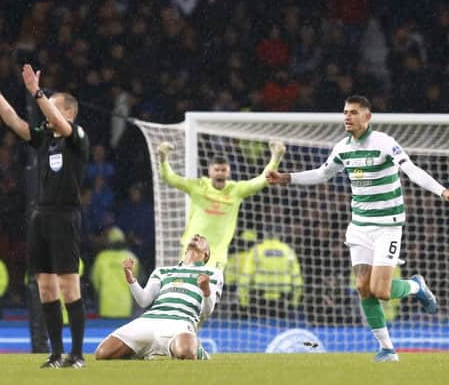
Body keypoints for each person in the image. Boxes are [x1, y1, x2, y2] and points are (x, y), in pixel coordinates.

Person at [266, 95, 449, 362]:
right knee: (363, 287)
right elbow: (322, 173)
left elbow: (412, 171)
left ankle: (415, 286)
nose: (347, 117)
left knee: (382, 291)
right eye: (344, 113)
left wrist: (442, 190)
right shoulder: (342, 148)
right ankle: (387, 349)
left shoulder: (385, 143)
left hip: (388, 226)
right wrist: (287, 178)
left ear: (367, 117)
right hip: (360, 227)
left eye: (353, 112)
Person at [0, 63, 89, 368]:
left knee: (69, 285)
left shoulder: (76, 136)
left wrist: (36, 92)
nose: (45, 113)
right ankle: (55, 354)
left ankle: (77, 355)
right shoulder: (46, 138)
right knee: (45, 286)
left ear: (68, 112)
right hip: (40, 217)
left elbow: (60, 123)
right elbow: (15, 122)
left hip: (65, 217)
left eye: (52, 108)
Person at [158, 140, 286, 270]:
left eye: (223, 170)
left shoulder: (236, 190)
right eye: (217, 170)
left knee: (209, 290)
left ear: (228, 172)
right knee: (186, 287)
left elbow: (262, 180)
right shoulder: (198, 186)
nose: (220, 173)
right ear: (210, 171)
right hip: (191, 248)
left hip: (216, 254)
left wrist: (276, 159)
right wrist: (163, 159)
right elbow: (169, 178)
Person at [95, 234, 223, 360]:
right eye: (195, 236)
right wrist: (131, 280)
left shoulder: (212, 273)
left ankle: (197, 351)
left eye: (202, 238)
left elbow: (207, 311)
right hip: (148, 321)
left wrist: (206, 289)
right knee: (102, 353)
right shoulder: (162, 271)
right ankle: (150, 352)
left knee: (186, 353)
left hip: (180, 322)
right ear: (185, 250)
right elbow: (144, 301)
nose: (197, 235)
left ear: (206, 254)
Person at [91, 226, 140, 318]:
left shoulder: (102, 257)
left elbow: (95, 280)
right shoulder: (130, 257)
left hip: (106, 305)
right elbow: (136, 281)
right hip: (125, 305)